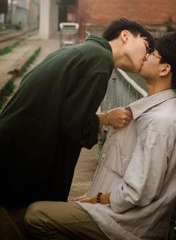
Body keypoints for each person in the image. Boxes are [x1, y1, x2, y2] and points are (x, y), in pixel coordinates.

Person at [24, 31, 176, 240]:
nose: (146, 55)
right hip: (114, 211)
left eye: (153, 53)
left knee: (35, 215)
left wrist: (96, 200)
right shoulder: (156, 114)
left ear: (164, 69)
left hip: (124, 225)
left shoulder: (160, 122)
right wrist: (95, 198)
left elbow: (138, 192)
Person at [0, 18, 154, 207]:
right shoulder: (100, 61)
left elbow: (68, 113)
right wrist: (105, 119)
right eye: (146, 46)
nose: (147, 56)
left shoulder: (87, 51)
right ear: (125, 36)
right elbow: (75, 126)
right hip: (23, 156)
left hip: (14, 143)